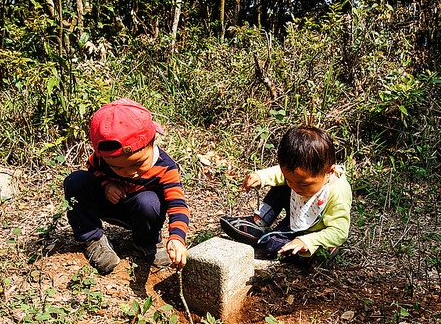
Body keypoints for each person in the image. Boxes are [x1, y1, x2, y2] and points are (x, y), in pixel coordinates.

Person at [64, 98, 189, 275]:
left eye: (138, 164)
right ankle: (93, 239)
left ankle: (146, 241)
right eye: (118, 167)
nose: (130, 172)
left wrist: (177, 238)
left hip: (141, 214)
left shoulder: (164, 167)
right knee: (75, 181)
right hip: (109, 204)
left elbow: (177, 206)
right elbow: (92, 168)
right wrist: (106, 183)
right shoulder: (102, 158)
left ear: (153, 142)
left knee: (148, 201)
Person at [220, 125, 351, 263]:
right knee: (280, 187)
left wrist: (307, 241)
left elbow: (339, 232)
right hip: (295, 218)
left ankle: (321, 251)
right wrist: (261, 177)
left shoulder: (337, 192)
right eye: (290, 180)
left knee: (274, 245)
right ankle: (257, 222)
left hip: (313, 232)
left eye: (304, 184)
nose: (295, 188)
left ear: (329, 172)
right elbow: (280, 174)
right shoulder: (298, 178)